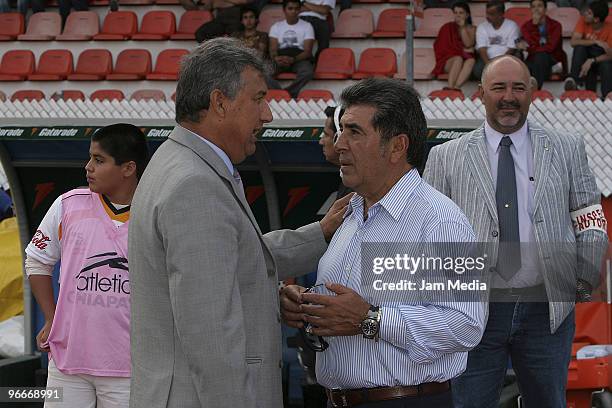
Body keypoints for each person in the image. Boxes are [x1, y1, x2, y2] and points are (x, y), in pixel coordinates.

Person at [128, 37, 349, 408]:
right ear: (220, 102)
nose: (268, 115)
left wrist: (321, 232)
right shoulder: (194, 183)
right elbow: (211, 335)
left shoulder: (181, 162)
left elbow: (238, 256)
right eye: (259, 99)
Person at [281, 78, 486, 408]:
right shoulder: (347, 214)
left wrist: (370, 320)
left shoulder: (440, 220)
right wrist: (306, 305)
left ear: (397, 146)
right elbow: (349, 304)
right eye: (341, 130)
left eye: (354, 132)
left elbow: (466, 326)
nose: (340, 143)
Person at [424, 55, 609, 408]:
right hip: (474, 311)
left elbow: (591, 219)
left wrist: (581, 280)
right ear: (480, 93)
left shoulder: (568, 148)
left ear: (533, 92)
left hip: (547, 312)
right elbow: (428, 233)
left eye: (518, 88)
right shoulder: (445, 157)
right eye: (499, 88)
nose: (508, 96)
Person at [25, 124, 149, 408]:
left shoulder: (156, 211)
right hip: (68, 363)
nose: (88, 167)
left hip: (131, 367)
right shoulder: (68, 204)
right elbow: (36, 260)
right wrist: (50, 317)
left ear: (128, 168)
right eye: (90, 158)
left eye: (99, 160)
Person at [565, 0, 612, 98]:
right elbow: (573, 42)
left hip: (600, 60)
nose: (585, 14)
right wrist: (595, 42)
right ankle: (574, 82)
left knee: (607, 66)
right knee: (579, 47)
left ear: (596, 19)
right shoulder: (583, 20)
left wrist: (591, 61)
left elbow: (610, 55)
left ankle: (607, 97)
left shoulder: (610, 29)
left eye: (589, 13)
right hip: (585, 58)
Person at [269, 0, 315, 98]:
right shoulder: (276, 27)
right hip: (280, 58)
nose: (293, 11)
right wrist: (276, 58)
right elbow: (273, 49)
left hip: (299, 58)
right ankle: (280, 93)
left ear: (300, 10)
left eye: (296, 9)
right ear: (284, 10)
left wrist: (293, 59)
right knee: (263, 72)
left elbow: (307, 51)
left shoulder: (307, 26)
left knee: (307, 72)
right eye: (290, 8)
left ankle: (287, 93)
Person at [516, 0, 565, 90]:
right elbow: (531, 47)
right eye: (533, 7)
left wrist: (532, 48)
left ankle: (536, 90)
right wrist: (534, 26)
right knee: (521, 66)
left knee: (540, 55)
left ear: (545, 9)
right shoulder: (526, 27)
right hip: (534, 60)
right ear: (530, 10)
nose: (536, 9)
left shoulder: (556, 25)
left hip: (552, 59)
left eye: (539, 6)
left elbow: (551, 47)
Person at [432, 1, 476, 90]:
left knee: (471, 60)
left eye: (461, 13)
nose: (458, 15)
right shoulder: (446, 27)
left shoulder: (472, 28)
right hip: (449, 62)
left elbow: (468, 44)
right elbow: (442, 48)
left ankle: (456, 88)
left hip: (465, 60)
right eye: (455, 13)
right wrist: (462, 51)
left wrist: (463, 27)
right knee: (458, 58)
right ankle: (450, 87)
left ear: (467, 15)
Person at [473, 1, 520, 79]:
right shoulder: (482, 27)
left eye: (491, 14)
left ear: (501, 14)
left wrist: (500, 64)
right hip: (487, 59)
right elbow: (482, 49)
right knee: (478, 70)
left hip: (506, 58)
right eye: (487, 13)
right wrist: (489, 66)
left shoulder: (512, 26)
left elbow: (511, 49)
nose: (487, 16)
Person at [320, 105, 352, 199]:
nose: (321, 141)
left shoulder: (357, 189)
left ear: (339, 137)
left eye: (326, 135)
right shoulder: (350, 182)